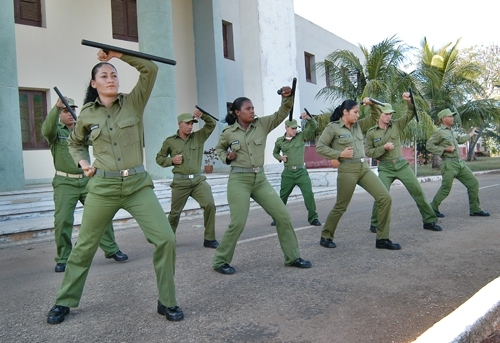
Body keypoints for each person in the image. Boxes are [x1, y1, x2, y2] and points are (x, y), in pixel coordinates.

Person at [46, 50, 183, 325]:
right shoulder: (85, 114)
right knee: (84, 246)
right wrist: (83, 162)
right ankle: (64, 301)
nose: (111, 79)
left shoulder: (133, 102)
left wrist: (119, 55)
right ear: (94, 83)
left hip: (137, 186)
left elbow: (150, 70)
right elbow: (74, 142)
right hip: (103, 186)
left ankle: (166, 300)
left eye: (114, 75)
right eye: (104, 76)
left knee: (165, 239)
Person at [212, 87, 312, 275]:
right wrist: (227, 156)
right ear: (237, 112)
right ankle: (220, 261)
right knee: (238, 222)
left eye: (253, 108)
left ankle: (292, 257)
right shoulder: (228, 132)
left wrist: (287, 98)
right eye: (248, 108)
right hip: (239, 180)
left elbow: (281, 114)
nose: (252, 111)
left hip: (260, 180)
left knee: (282, 215)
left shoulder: (262, 124)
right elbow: (219, 149)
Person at [41, 97, 128, 273]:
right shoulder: (55, 131)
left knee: (101, 215)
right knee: (63, 220)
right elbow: (46, 130)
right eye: (65, 110)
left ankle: (111, 249)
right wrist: (56, 108)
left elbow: (98, 141)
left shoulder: (82, 131)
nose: (70, 114)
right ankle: (64, 258)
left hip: (87, 179)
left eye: (71, 110)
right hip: (65, 182)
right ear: (60, 113)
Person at [316, 99, 401, 250]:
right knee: (341, 206)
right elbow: (320, 147)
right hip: (347, 170)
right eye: (355, 112)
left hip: (363, 168)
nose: (357, 115)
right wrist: (339, 153)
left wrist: (372, 105)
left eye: (358, 112)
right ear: (345, 112)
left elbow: (374, 117)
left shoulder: (358, 126)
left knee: (384, 198)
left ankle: (382, 239)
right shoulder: (333, 128)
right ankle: (326, 236)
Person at [364, 94, 442, 233]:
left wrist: (409, 102)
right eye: (386, 114)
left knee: (418, 192)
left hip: (401, 165)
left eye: (390, 114)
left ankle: (429, 220)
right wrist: (383, 148)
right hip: (385, 168)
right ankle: (375, 223)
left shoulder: (397, 125)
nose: (389, 117)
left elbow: (410, 113)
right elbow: (369, 152)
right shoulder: (371, 133)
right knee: (381, 196)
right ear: (380, 115)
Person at [156, 109, 219, 249]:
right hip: (180, 182)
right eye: (188, 123)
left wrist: (203, 115)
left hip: (197, 181)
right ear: (180, 124)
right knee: (175, 213)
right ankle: (168, 239)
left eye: (192, 123)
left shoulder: (199, 137)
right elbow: (159, 158)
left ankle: (209, 238)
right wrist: (171, 160)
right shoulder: (170, 142)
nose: (191, 126)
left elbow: (211, 125)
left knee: (209, 204)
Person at [426, 108, 490, 218]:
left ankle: (475, 209)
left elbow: (460, 139)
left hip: (460, 164)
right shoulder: (439, 132)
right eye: (450, 116)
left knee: (473, 183)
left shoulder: (451, 131)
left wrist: (470, 134)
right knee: (446, 189)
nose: (452, 118)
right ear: (443, 119)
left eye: (452, 116)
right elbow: (429, 146)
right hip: (449, 164)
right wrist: (445, 149)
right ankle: (433, 208)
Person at [270, 112, 321, 227]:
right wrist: (280, 157)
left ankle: (313, 218)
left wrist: (309, 119)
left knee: (309, 195)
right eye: (292, 128)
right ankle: (277, 218)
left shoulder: (301, 136)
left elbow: (314, 127)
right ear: (286, 128)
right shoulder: (279, 141)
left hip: (301, 172)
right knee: (282, 197)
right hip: (288, 173)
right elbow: (275, 152)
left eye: (295, 128)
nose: (294, 130)